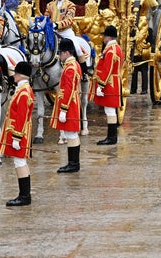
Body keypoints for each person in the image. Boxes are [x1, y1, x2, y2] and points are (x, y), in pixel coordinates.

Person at [0, 61, 34, 207]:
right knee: (19, 162)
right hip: (18, 131)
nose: (14, 76)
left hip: (19, 132)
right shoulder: (22, 89)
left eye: (16, 73)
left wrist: (17, 137)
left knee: (20, 162)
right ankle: (24, 194)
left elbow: (21, 116)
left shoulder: (24, 93)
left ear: (20, 75)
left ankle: (24, 196)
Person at [50, 39, 83, 173]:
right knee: (72, 134)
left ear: (66, 52)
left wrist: (64, 109)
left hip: (69, 104)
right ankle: (73, 162)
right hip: (72, 102)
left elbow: (68, 89)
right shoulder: (73, 64)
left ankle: (73, 163)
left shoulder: (70, 67)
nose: (59, 56)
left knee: (71, 134)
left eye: (61, 53)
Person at [91, 25, 123, 145]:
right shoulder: (116, 48)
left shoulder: (110, 50)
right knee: (110, 111)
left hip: (110, 83)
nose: (103, 38)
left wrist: (101, 85)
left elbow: (107, 69)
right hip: (113, 82)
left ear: (108, 37)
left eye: (104, 36)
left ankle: (111, 137)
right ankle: (112, 136)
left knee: (109, 111)